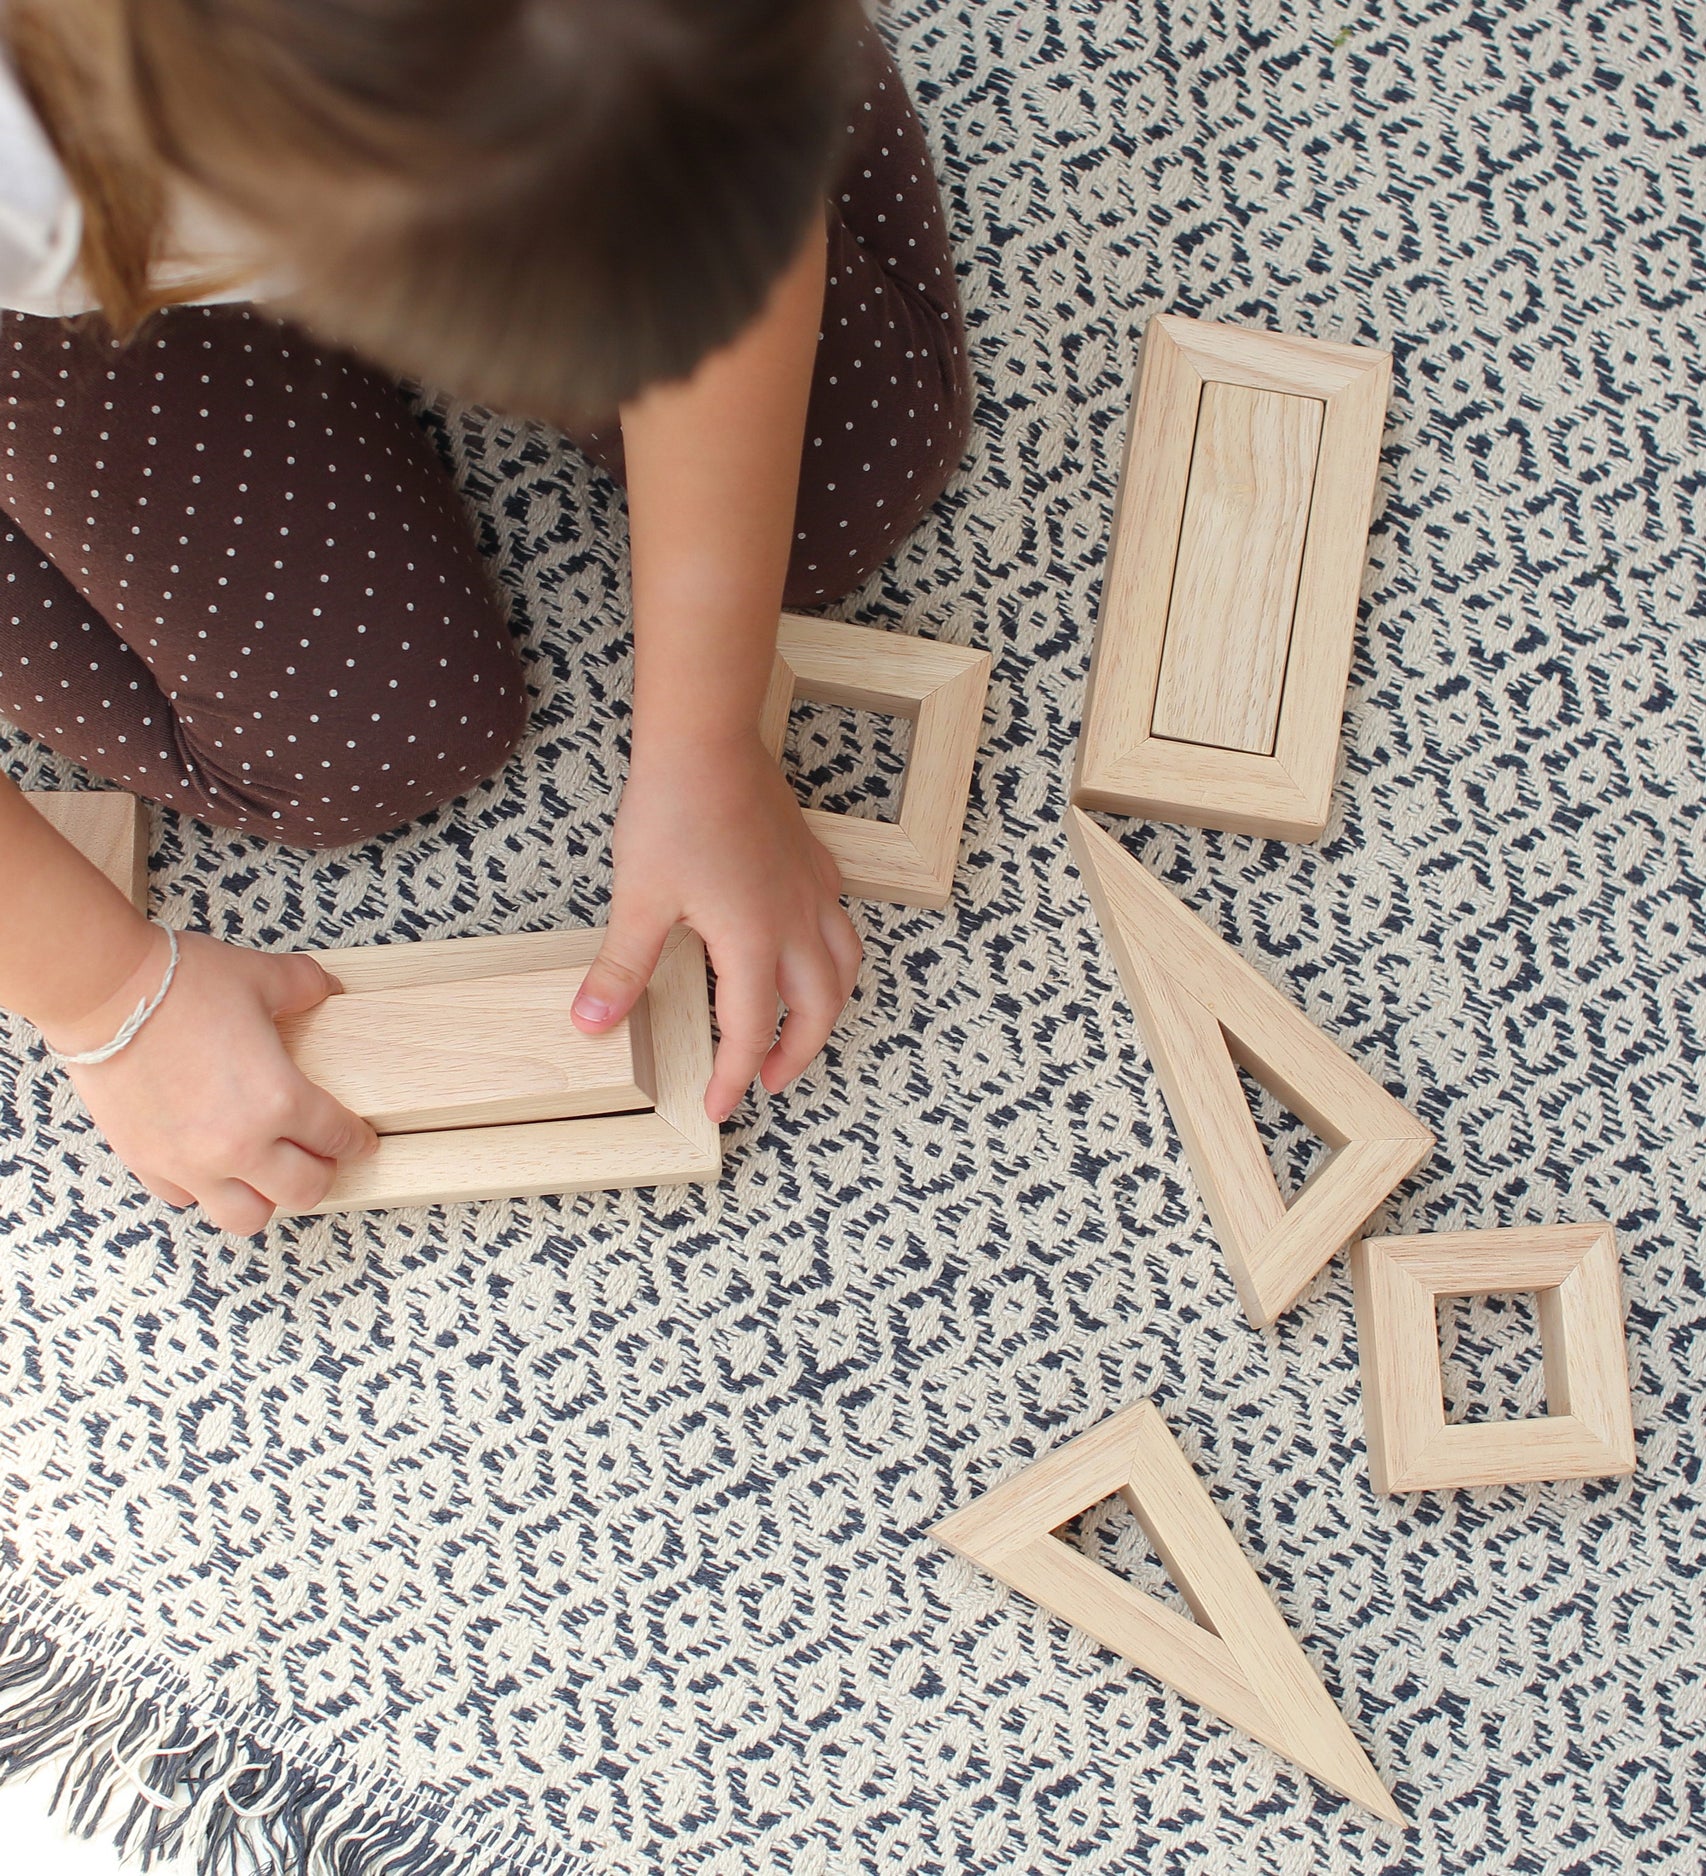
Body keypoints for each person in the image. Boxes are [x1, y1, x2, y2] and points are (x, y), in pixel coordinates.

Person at [0, 0, 972, 1233]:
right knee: (358, 739)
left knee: (841, 480)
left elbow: (704, 225)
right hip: (68, 276)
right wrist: (106, 999)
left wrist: (705, 742)